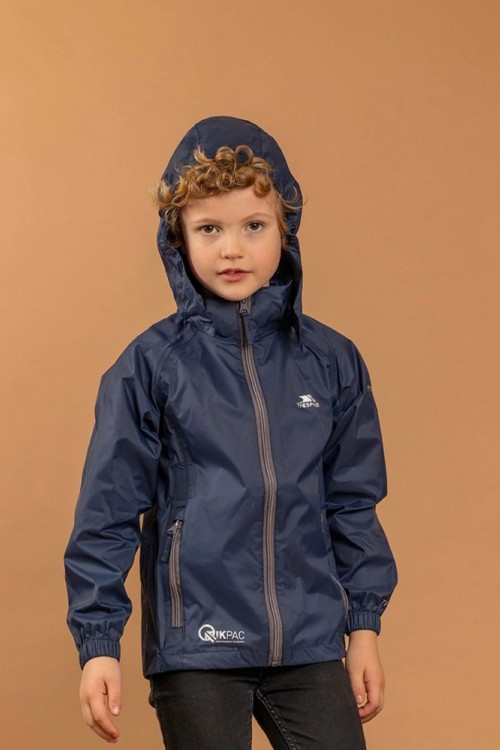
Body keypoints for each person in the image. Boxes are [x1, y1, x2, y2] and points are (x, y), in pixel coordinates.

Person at [64, 116, 397, 749]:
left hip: (309, 642)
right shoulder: (149, 366)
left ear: (285, 230)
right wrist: (98, 644)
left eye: (253, 226)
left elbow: (352, 502)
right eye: (209, 229)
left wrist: (363, 629)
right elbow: (107, 513)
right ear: (178, 239)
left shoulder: (331, 361)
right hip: (197, 645)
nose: (232, 250)